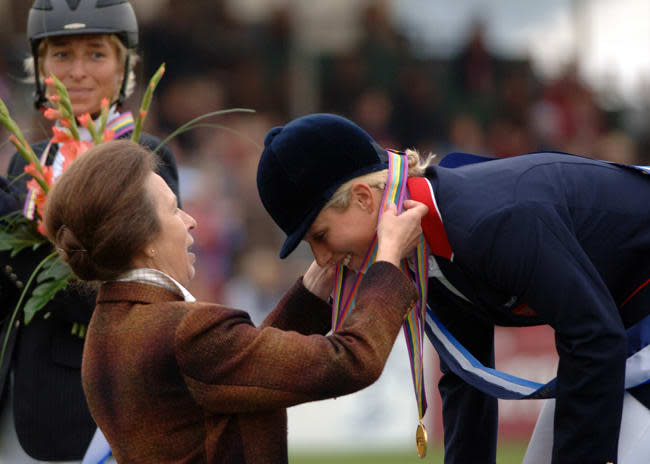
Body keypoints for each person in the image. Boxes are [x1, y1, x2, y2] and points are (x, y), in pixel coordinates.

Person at [256, 113, 650, 464]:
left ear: (362, 198)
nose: (322, 259)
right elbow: (467, 379)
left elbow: (595, 339)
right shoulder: (429, 239)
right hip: (621, 333)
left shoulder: (491, 221)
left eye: (320, 236)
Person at [41, 139, 425, 463]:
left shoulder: (108, 328)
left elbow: (238, 375)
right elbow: (349, 362)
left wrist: (315, 286)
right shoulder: (185, 332)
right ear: (143, 239)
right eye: (174, 208)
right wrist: (388, 260)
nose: (190, 220)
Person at [0, 1, 180, 461]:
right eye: (61, 55)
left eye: (96, 54)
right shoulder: (27, 162)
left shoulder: (147, 158)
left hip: (106, 407)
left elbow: (118, 295)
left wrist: (10, 232)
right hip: (26, 404)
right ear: (39, 67)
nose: (77, 72)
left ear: (125, 66)